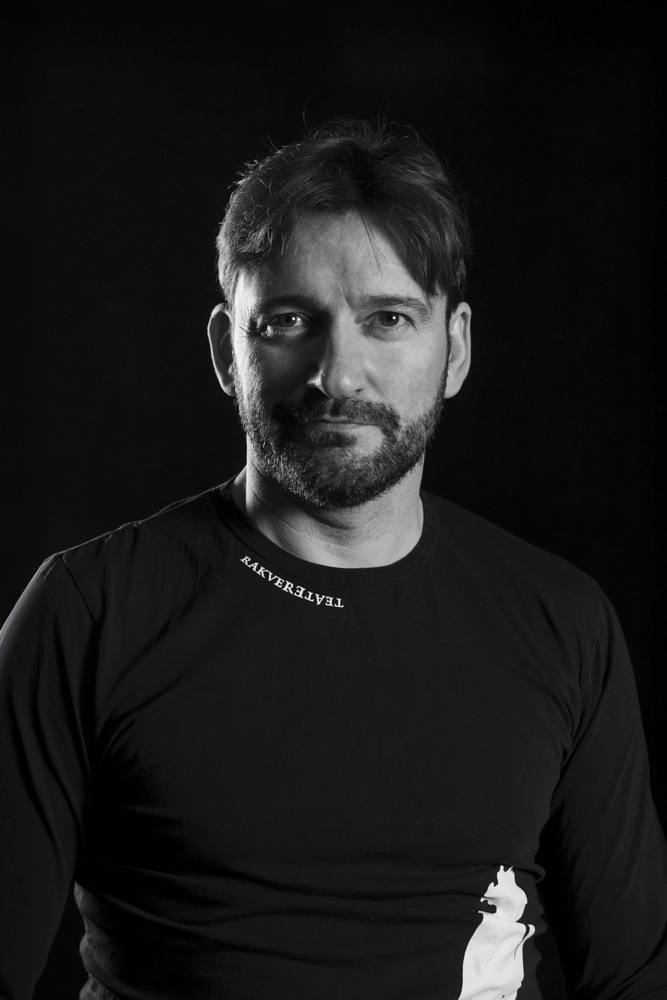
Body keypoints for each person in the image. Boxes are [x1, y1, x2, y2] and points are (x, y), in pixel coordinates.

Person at [1, 119, 665, 1000]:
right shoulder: (90, 612)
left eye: (387, 319)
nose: (337, 374)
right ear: (226, 352)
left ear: (455, 348)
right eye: (288, 320)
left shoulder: (561, 621)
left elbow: (632, 980)